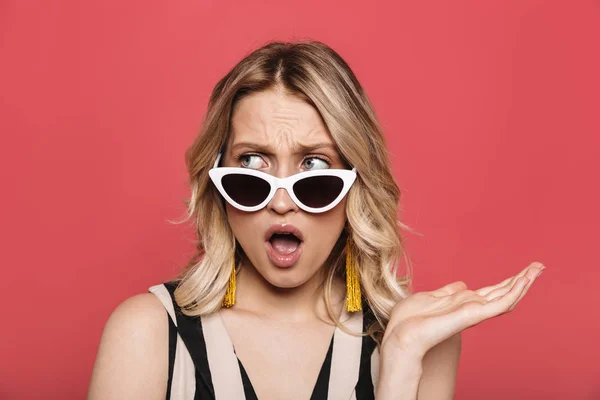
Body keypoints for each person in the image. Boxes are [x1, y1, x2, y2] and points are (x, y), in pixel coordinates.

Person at [87, 40, 545, 400]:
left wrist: (400, 367)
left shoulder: (420, 342)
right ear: (217, 184)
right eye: (253, 164)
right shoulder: (147, 334)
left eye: (314, 168)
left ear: (355, 186)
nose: (282, 202)